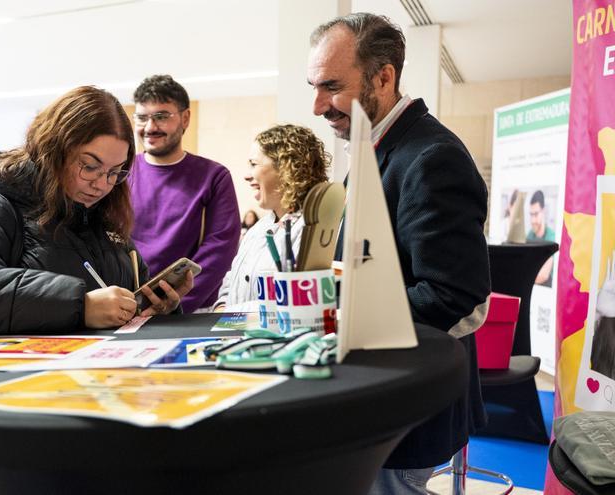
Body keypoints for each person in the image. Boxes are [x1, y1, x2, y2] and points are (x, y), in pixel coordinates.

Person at [308, 13, 491, 493]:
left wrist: (339, 315)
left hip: (410, 411)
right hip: (384, 398)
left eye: (331, 86)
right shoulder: (377, 149)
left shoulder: (431, 158)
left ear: (384, 76)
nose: (317, 105)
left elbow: (456, 297)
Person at [0, 86, 193, 340]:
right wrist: (80, 306)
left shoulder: (104, 227)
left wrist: (156, 308)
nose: (101, 184)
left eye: (113, 172)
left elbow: (126, 299)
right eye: (89, 166)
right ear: (53, 149)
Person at [128, 74, 241, 313]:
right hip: (129, 307)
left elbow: (219, 249)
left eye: (161, 116)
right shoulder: (120, 174)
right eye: (142, 117)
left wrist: (177, 303)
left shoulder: (214, 177)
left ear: (185, 118)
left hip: (191, 309)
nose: (150, 127)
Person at [215, 124, 329, 310]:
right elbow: (230, 284)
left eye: (254, 164)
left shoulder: (311, 231)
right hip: (235, 336)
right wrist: (221, 311)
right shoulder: (257, 230)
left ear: (286, 167)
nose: (246, 175)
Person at [527, 190, 555, 286]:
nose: (532, 220)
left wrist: (524, 277)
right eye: (531, 214)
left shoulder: (551, 236)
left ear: (543, 211)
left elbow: (544, 275)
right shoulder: (530, 235)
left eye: (535, 214)